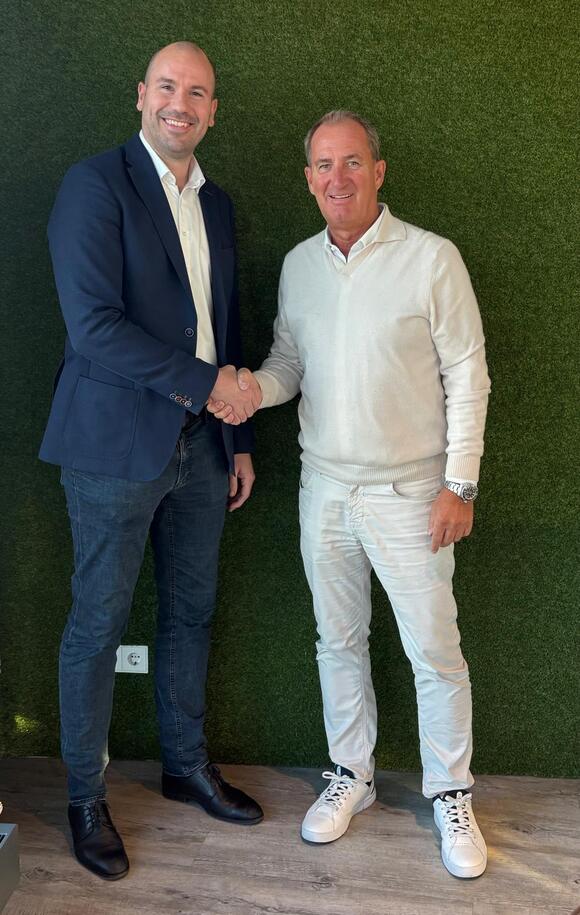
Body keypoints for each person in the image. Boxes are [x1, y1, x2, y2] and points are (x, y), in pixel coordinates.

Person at [210, 110, 491, 879]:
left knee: (434, 650)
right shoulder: (299, 265)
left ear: (378, 170)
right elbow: (289, 365)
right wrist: (246, 388)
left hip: (412, 492)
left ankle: (450, 791)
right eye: (325, 165)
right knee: (336, 640)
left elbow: (468, 375)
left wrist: (459, 483)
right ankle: (352, 774)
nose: (339, 177)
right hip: (325, 488)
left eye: (353, 162)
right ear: (309, 179)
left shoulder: (432, 258)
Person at [40, 41, 263, 881]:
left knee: (191, 612)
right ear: (141, 95)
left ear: (213, 111)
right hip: (112, 445)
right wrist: (210, 387)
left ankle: (185, 766)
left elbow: (224, 322)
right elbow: (94, 327)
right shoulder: (94, 185)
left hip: (203, 447)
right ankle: (84, 796)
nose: (182, 103)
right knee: (98, 622)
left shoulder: (217, 204)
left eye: (198, 92)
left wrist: (237, 438)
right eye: (168, 86)